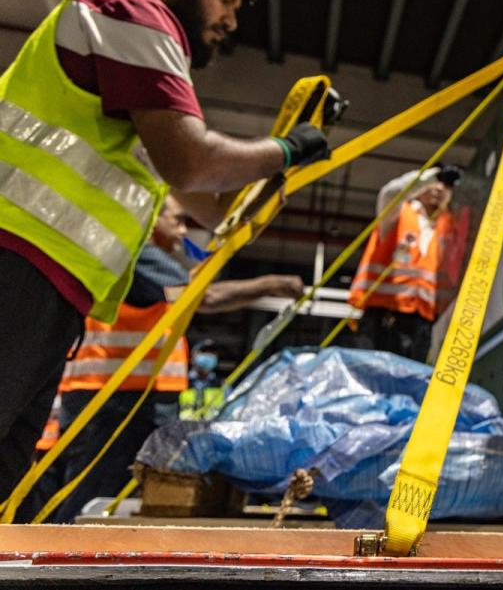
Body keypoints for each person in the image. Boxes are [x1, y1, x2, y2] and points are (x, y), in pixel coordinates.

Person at [0, 0, 330, 500]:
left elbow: (214, 206)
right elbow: (193, 164)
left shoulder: (128, 119)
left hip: (49, 285)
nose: (230, 19)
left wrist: (287, 155)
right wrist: (283, 149)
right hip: (19, 262)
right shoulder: (130, 14)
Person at [32, 195, 303, 522]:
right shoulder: (137, 251)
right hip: (116, 398)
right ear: (152, 219)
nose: (182, 229)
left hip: (127, 396)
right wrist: (273, 283)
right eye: (176, 219)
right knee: (95, 500)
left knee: (114, 498)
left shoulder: (146, 266)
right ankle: (69, 561)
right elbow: (208, 296)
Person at [348, 165, 467, 362]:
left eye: (445, 184)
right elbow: (391, 191)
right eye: (433, 183)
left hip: (421, 322)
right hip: (382, 316)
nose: (437, 187)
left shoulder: (450, 228)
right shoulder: (398, 212)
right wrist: (430, 176)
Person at [179, 339, 227, 420]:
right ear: (192, 355)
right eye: (203, 351)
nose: (208, 355)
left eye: (212, 353)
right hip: (182, 430)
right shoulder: (180, 383)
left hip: (211, 431)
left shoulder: (223, 385)